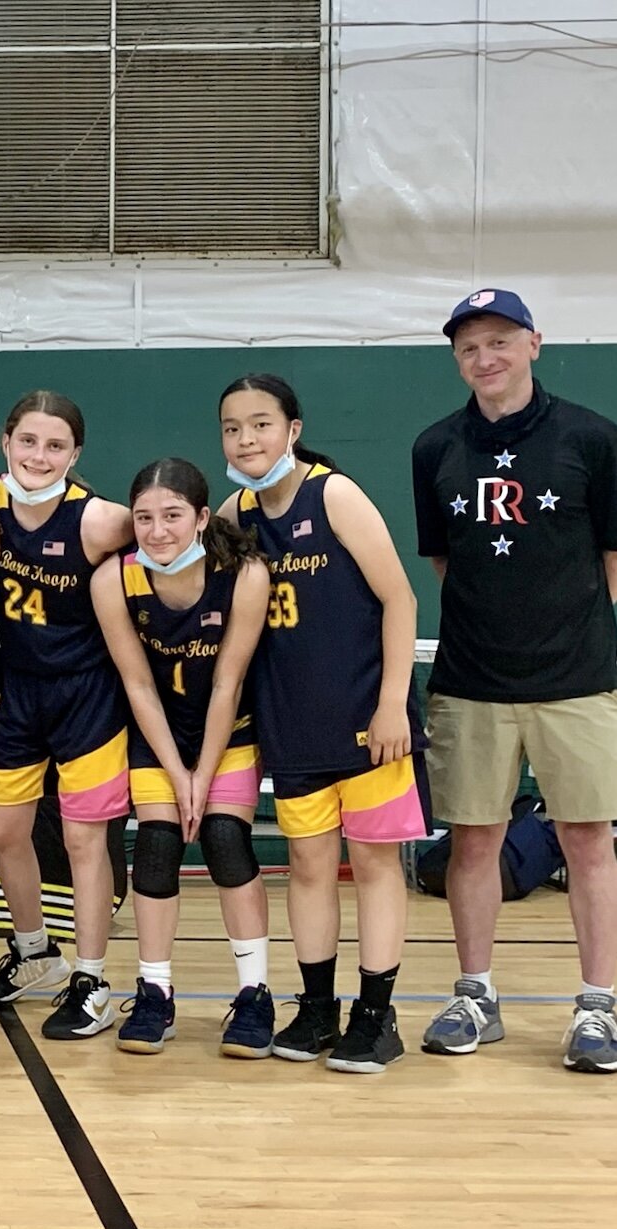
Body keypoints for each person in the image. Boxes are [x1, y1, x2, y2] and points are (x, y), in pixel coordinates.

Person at [412, 289, 617, 1073]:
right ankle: (475, 996)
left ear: (534, 342)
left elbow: (610, 563)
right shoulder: (436, 448)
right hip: (471, 681)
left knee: (589, 841)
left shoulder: (593, 439)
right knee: (473, 842)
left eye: (499, 341)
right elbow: (443, 561)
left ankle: (597, 1006)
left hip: (578, 680)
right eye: (469, 347)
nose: (484, 358)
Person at [219, 373, 426, 1074]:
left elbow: (399, 598)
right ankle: (316, 1008)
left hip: (368, 714)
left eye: (261, 424)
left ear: (293, 428)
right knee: (307, 864)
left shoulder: (332, 493)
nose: (247, 439)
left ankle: (377, 1013)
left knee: (371, 862)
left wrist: (393, 699)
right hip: (291, 721)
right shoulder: (231, 516)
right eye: (233, 427)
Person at [90, 458, 275, 1056]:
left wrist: (203, 775)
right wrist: (178, 775)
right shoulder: (114, 580)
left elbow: (228, 682)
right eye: (143, 517)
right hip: (158, 734)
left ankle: (255, 995)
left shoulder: (243, 573)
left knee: (225, 840)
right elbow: (138, 685)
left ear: (200, 517)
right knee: (157, 844)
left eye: (171, 515)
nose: (157, 530)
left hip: (229, 730)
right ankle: (154, 991)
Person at [0, 392, 133, 1040]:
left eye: (55, 445)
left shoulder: (101, 520)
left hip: (88, 693)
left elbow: (180, 543)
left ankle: (92, 980)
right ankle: (36, 950)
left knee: (82, 838)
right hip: (18, 687)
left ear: (76, 454)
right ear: (5, 441)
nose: (39, 455)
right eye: (28, 441)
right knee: (6, 830)